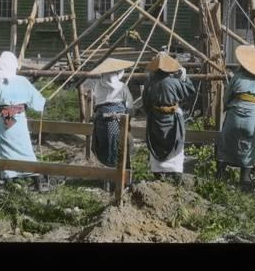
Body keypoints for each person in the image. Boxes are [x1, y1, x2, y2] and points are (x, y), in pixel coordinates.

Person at [0, 51, 47, 189]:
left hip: (4, 123)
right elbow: (38, 101)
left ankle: (9, 179)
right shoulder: (23, 82)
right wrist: (42, 103)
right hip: (20, 122)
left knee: (4, 151)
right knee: (25, 149)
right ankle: (36, 177)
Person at [216, 45, 255, 193]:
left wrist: (227, 107)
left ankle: (220, 174)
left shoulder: (237, 77)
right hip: (252, 116)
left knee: (225, 142)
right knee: (249, 146)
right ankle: (245, 180)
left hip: (234, 114)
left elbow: (227, 97)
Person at [142, 52, 196, 184]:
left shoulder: (149, 84)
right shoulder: (174, 83)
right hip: (173, 119)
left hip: (155, 118)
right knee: (176, 142)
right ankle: (175, 173)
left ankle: (157, 173)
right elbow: (190, 90)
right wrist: (184, 77)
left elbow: (145, 104)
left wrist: (153, 112)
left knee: (156, 143)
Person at [82, 58, 135, 185]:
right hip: (119, 123)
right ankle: (122, 179)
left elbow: (95, 104)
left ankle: (106, 178)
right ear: (117, 73)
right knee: (122, 146)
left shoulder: (97, 85)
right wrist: (127, 117)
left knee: (104, 147)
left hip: (101, 122)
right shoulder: (122, 87)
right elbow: (130, 107)